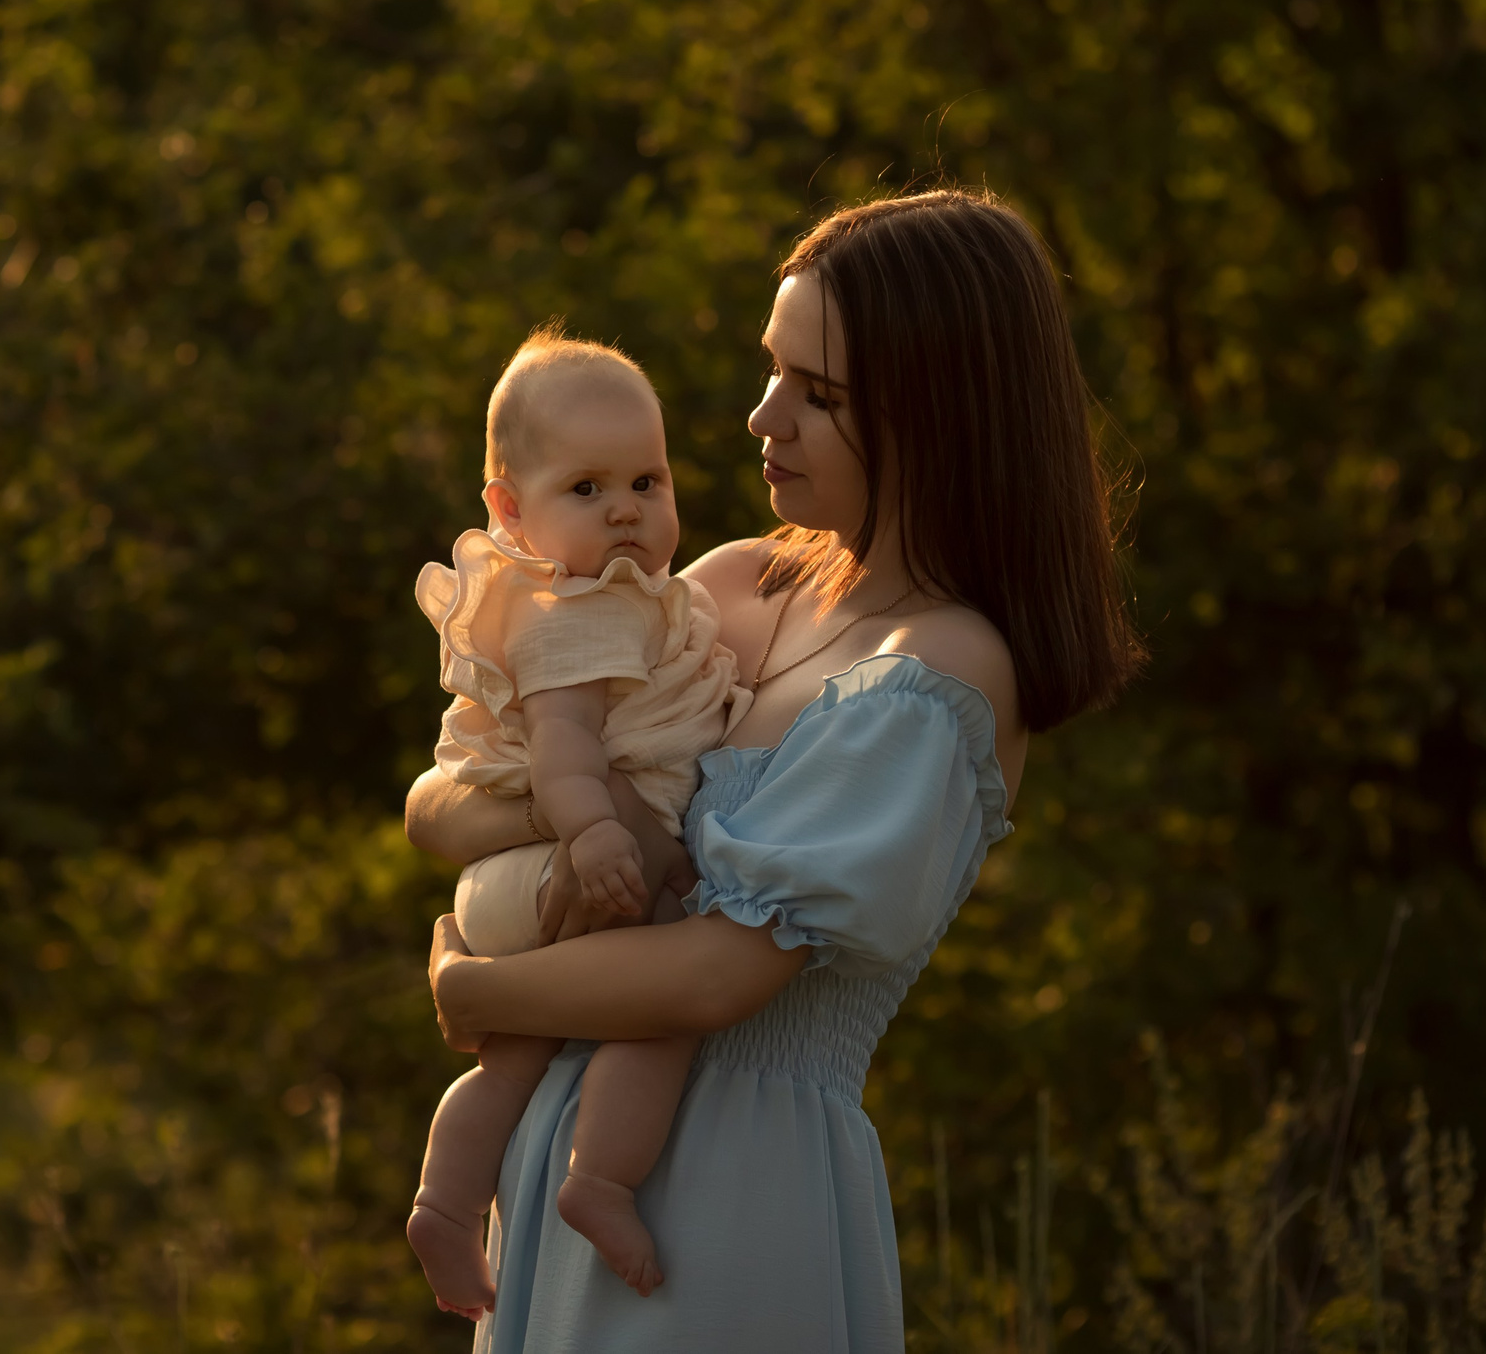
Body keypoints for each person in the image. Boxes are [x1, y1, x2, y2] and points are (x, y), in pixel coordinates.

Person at [410, 189, 1141, 1351]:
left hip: (726, 1195)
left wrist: (477, 991)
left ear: (936, 415)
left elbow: (716, 978)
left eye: (819, 394)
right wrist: (497, 823)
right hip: (555, 1154)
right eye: (771, 371)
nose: (762, 417)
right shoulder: (732, 587)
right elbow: (458, 790)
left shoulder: (935, 676)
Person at [404, 330, 748, 1317]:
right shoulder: (576, 613)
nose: (627, 511)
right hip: (575, 855)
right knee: (664, 991)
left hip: (524, 883)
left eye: (647, 481)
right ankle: (600, 1177)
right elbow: (563, 747)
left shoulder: (628, 599)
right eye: (587, 490)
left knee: (515, 1051)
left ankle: (443, 1199)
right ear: (510, 512)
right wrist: (599, 836)